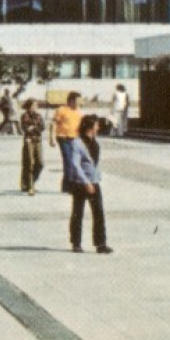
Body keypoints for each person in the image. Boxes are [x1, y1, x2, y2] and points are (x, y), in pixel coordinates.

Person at [63, 115, 112, 253]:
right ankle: (76, 243)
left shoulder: (94, 141)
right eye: (96, 125)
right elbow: (75, 164)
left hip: (94, 182)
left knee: (99, 212)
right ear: (90, 127)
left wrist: (95, 179)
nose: (98, 127)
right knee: (78, 212)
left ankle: (101, 243)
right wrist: (86, 182)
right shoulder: (77, 143)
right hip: (80, 183)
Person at [50, 90, 83, 169]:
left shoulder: (79, 112)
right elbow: (54, 124)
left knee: (74, 161)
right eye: (78, 101)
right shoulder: (61, 110)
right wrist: (52, 138)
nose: (79, 103)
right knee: (68, 160)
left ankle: (70, 179)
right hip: (63, 138)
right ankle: (68, 179)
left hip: (75, 139)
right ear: (71, 100)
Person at [20, 99, 46, 195]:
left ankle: (29, 181)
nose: (35, 107)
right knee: (29, 162)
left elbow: (42, 127)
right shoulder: (24, 115)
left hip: (38, 141)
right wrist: (34, 127)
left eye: (36, 105)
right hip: (29, 141)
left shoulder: (38, 115)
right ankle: (31, 187)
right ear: (29, 106)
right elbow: (25, 128)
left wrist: (33, 127)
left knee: (40, 163)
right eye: (34, 105)